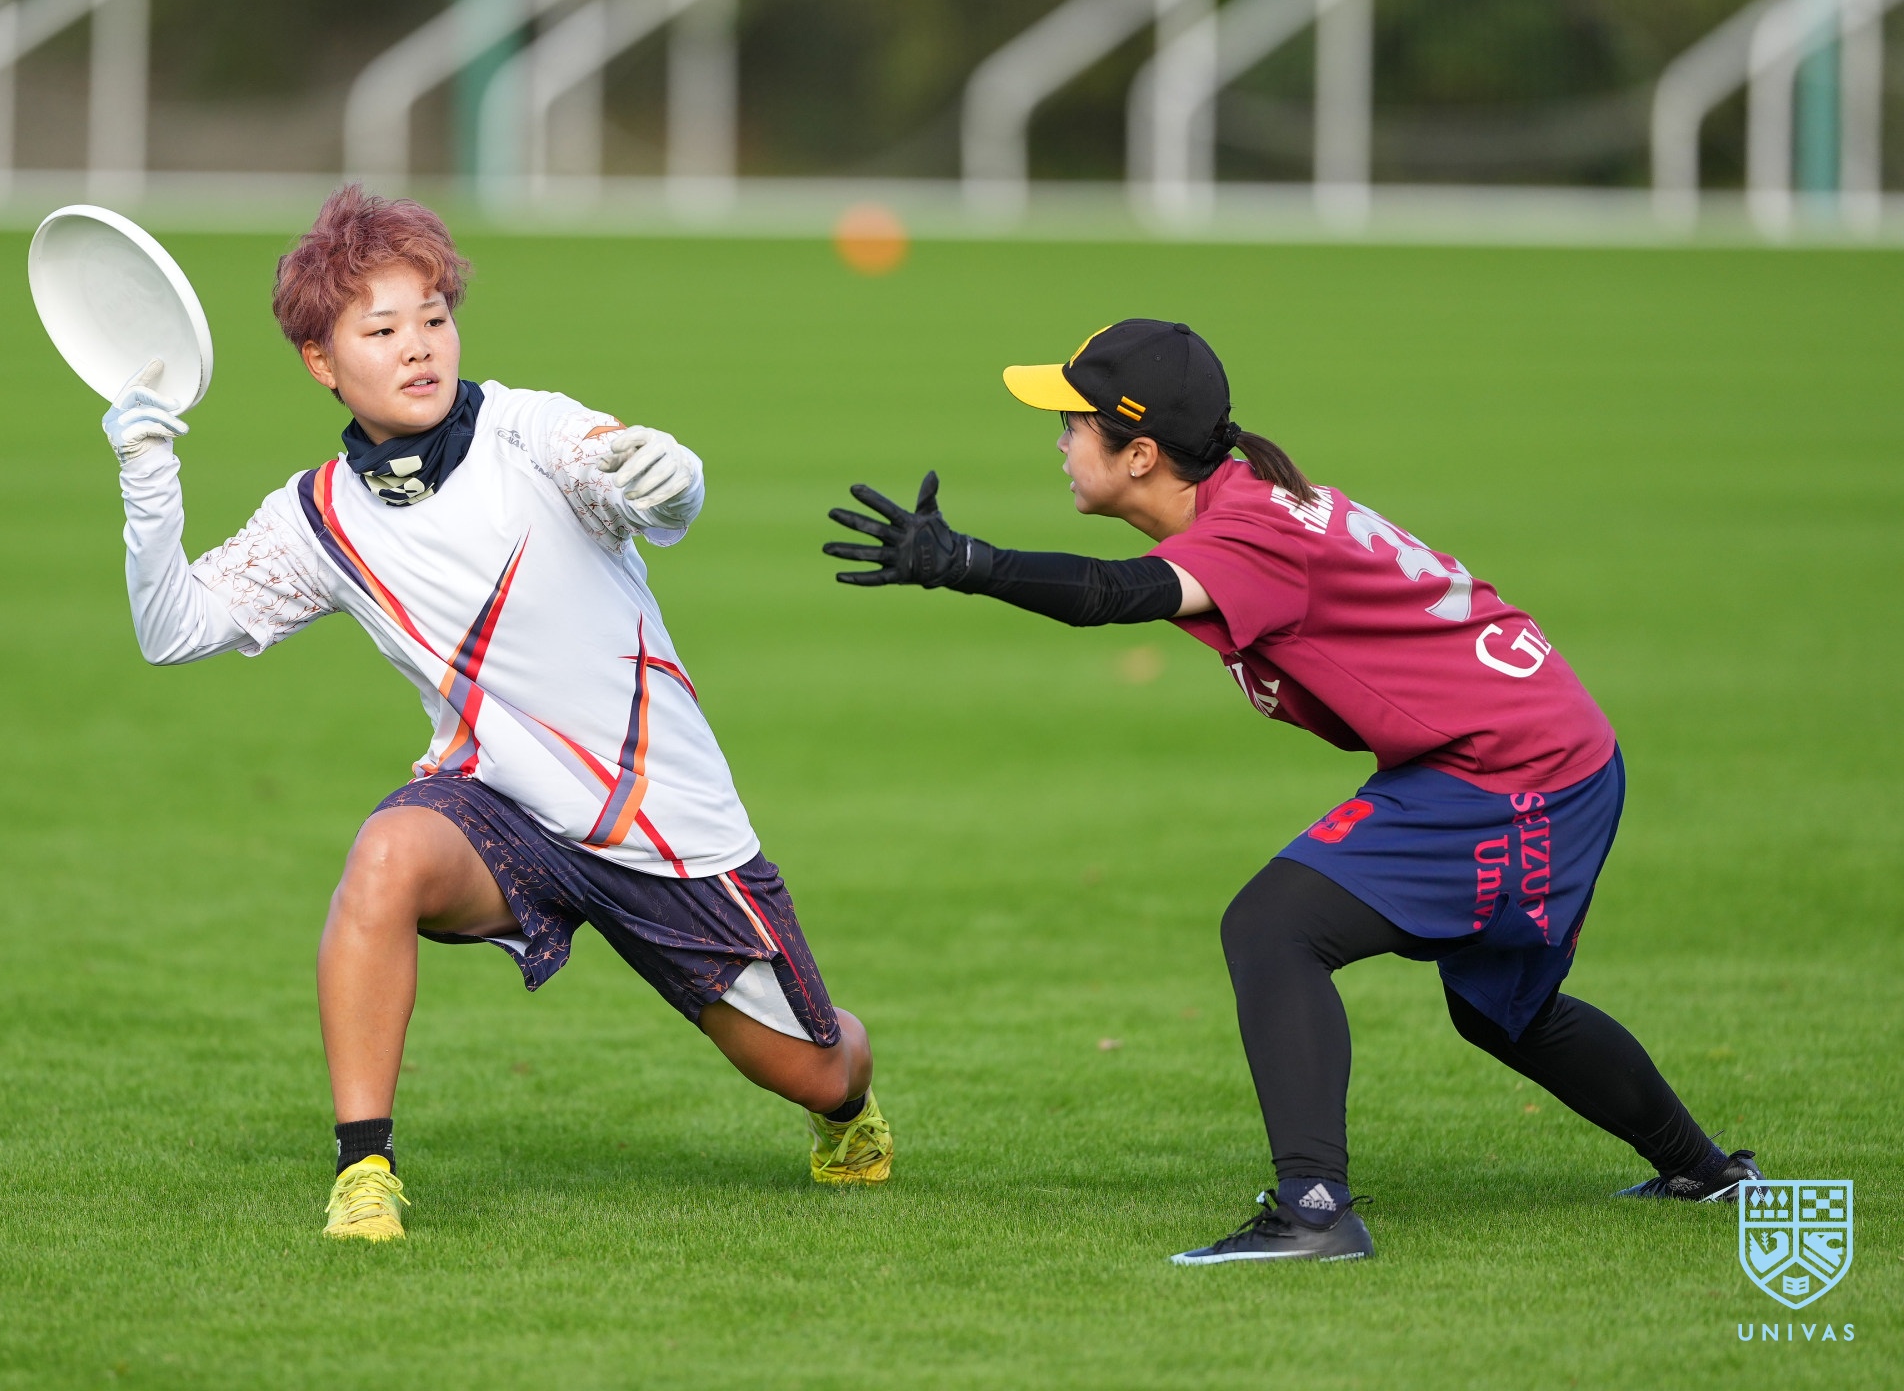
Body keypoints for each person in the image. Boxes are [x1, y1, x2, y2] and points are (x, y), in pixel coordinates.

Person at [822, 318, 1755, 1265]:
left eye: (1073, 423)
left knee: (1275, 927)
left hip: (1514, 768)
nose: (1059, 442)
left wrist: (968, 565)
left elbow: (1114, 595)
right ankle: (1706, 1173)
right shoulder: (1247, 501)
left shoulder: (1248, 533)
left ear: (1141, 454)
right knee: (1501, 1010)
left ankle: (1315, 1212)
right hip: (1538, 750)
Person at [104, 185, 890, 1242]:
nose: (418, 346)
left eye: (434, 317)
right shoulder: (316, 517)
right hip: (498, 808)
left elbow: (640, 483)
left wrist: (675, 477)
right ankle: (364, 1171)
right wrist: (146, 466)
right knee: (385, 857)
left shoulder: (530, 429)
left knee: (813, 1067)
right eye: (382, 329)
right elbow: (174, 626)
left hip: (662, 819)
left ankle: (848, 1106)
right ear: (321, 360)